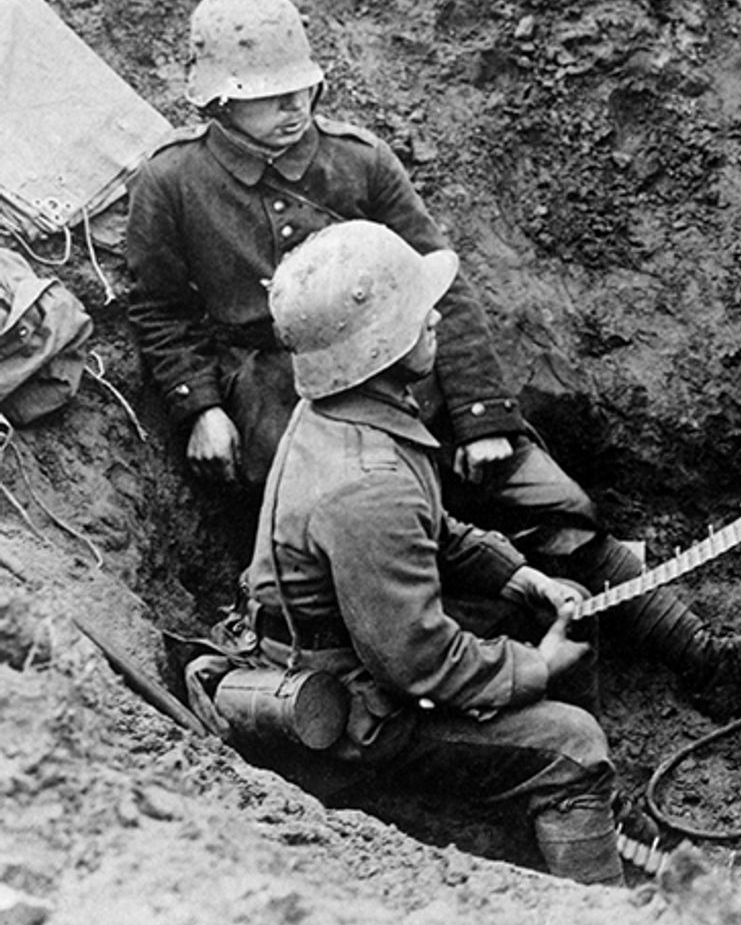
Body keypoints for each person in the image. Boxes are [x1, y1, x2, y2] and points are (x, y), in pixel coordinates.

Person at [126, 0, 741, 697]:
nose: (295, 109)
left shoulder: (360, 161)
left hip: (411, 374)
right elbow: (160, 309)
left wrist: (481, 415)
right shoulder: (173, 182)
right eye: (270, 97)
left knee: (551, 508)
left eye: (303, 90)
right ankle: (498, 672)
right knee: (385, 547)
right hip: (288, 403)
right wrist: (201, 407)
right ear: (220, 102)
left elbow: (437, 283)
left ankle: (704, 658)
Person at [202, 221, 640, 883]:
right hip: (356, 718)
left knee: (556, 611)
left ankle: (594, 813)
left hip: (357, 648)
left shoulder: (344, 412)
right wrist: (535, 668)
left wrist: (519, 576)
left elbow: (430, 529)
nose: (435, 318)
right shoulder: (365, 484)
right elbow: (418, 664)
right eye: (414, 313)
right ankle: (590, 882)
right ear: (378, 346)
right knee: (573, 744)